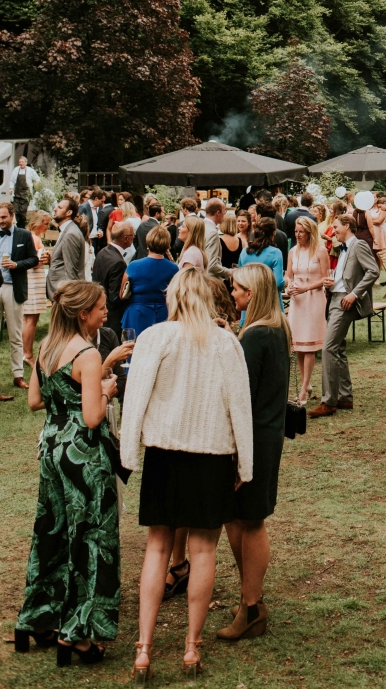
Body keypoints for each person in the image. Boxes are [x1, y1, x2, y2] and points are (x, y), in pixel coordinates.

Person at [120, 268, 254, 682]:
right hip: (212, 456)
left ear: (174, 296)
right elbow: (240, 407)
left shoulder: (154, 337)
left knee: (158, 548)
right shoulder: (226, 343)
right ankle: (191, 648)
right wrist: (244, 465)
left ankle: (144, 649)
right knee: (202, 552)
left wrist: (129, 456)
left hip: (164, 454)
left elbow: (134, 398)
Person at [16, 281, 121, 665]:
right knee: (91, 538)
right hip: (84, 456)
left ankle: (37, 617)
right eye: (101, 308)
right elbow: (93, 416)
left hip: (52, 447)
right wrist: (107, 389)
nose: (106, 313)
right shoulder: (88, 353)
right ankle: (77, 635)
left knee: (52, 531)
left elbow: (34, 401)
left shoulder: (46, 346)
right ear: (83, 314)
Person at [218, 263, 290, 641]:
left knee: (250, 519)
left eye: (239, 289)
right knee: (241, 517)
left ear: (254, 294)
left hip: (253, 438)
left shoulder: (255, 337)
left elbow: (239, 393)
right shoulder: (275, 328)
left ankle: (252, 606)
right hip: (268, 432)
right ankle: (250, 597)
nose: (233, 293)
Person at [309, 214, 379, 418]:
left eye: (336, 227)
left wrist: (353, 294)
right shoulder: (343, 248)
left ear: (347, 226)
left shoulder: (358, 245)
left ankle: (328, 401)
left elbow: (373, 271)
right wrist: (333, 283)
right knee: (338, 348)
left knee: (328, 348)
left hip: (344, 302)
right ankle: (345, 397)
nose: (333, 230)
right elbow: (345, 275)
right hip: (335, 297)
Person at [286, 216, 331, 405]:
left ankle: (303, 389)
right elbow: (288, 276)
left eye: (301, 232)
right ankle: (307, 383)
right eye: (296, 231)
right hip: (297, 300)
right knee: (298, 344)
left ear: (309, 232)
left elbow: (326, 278)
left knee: (310, 344)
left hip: (313, 299)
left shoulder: (320, 251)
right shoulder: (292, 251)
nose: (297, 235)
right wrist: (289, 286)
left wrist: (307, 287)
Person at [0, 200, 39, 390]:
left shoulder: (23, 234)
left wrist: (16, 265)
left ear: (12, 216)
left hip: (13, 287)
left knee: (15, 334)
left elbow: (33, 259)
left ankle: (18, 375)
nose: (0, 221)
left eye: (4, 217)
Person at [123, 227, 179, 336]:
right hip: (163, 313)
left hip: (138, 314)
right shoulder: (173, 268)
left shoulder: (133, 266)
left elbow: (122, 294)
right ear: (167, 245)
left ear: (148, 244)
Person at [21, 209, 52, 371]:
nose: (47, 227)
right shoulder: (33, 238)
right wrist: (43, 260)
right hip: (33, 280)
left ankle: (24, 353)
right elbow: (33, 262)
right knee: (30, 320)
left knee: (29, 319)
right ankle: (28, 355)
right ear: (38, 223)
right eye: (46, 224)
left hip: (33, 280)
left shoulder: (32, 236)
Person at [92, 221, 134, 338]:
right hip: (112, 317)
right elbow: (115, 296)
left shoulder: (103, 252)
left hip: (99, 310)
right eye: (132, 236)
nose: (133, 238)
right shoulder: (118, 262)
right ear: (125, 238)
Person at [46, 198, 86, 299]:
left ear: (69, 212)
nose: (55, 209)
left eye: (59, 207)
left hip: (64, 292)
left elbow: (71, 269)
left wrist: (69, 296)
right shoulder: (66, 230)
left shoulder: (70, 233)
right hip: (59, 290)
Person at [238, 217, 284, 299]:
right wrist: (285, 282)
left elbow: (239, 277)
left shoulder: (245, 251)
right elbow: (278, 283)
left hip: (249, 300)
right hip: (268, 301)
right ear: (273, 233)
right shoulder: (275, 253)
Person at [11, 156, 40, 228]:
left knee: (23, 213)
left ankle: (22, 227)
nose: (21, 163)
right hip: (17, 195)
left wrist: (35, 185)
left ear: (26, 163)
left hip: (26, 196)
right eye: (20, 162)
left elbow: (37, 179)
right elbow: (12, 180)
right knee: (16, 212)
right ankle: (17, 227)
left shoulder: (30, 170)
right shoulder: (16, 170)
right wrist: (11, 188)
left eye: (22, 162)